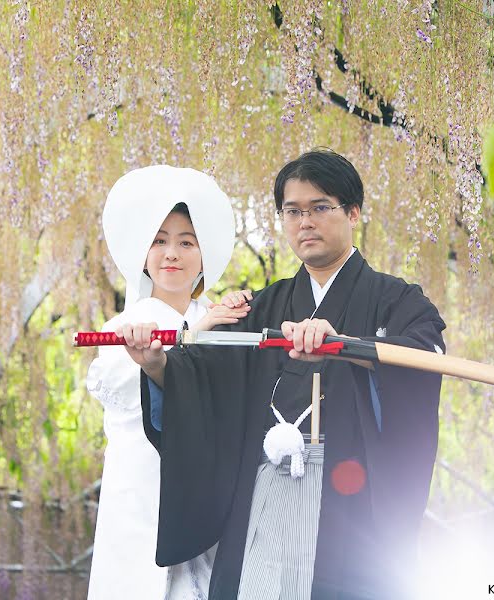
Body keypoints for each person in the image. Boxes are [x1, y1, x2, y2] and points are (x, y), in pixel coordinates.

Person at [117, 149, 447, 599]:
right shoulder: (263, 307)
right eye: (292, 211)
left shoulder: (397, 300)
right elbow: (204, 382)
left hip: (350, 499)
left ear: (353, 212)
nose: (304, 222)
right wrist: (155, 365)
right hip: (265, 488)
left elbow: (426, 354)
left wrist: (345, 347)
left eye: (320, 208)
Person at [85, 165, 249, 600]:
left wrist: (210, 330)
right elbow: (126, 395)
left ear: (203, 254)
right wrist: (179, 352)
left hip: (209, 492)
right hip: (144, 491)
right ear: (143, 253)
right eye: (159, 241)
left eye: (186, 242)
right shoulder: (124, 325)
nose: (171, 254)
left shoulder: (219, 320)